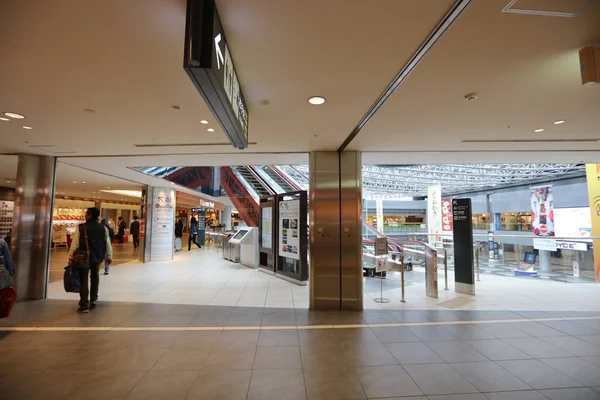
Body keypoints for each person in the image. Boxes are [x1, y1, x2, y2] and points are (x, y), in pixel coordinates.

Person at [69, 208, 112, 313]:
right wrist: (109, 256)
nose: (85, 215)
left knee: (83, 279)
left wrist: (71, 256)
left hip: (83, 258)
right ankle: (93, 300)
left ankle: (84, 304)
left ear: (90, 215)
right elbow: (107, 243)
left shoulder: (81, 228)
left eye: (86, 213)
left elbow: (75, 244)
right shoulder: (103, 228)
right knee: (95, 277)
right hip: (97, 257)